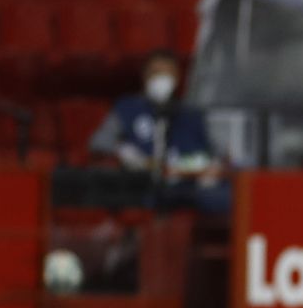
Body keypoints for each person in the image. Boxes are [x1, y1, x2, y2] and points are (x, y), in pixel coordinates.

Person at [86, 49, 228, 215]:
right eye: (156, 72)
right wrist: (124, 152)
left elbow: (219, 152)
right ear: (145, 76)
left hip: (189, 186)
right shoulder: (127, 108)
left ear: (177, 78)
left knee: (226, 196)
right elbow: (99, 142)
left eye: (168, 73)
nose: (162, 79)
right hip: (145, 186)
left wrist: (213, 168)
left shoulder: (192, 113)